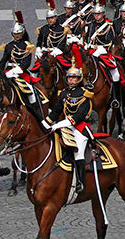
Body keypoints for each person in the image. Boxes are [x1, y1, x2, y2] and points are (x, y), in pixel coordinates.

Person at [42, 66, 94, 194]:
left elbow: (79, 116)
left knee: (78, 152)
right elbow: (55, 112)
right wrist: (44, 124)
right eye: (69, 77)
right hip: (66, 125)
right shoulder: (64, 93)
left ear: (79, 79)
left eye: (74, 78)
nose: (71, 80)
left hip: (80, 127)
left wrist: (58, 124)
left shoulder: (84, 93)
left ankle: (81, 183)